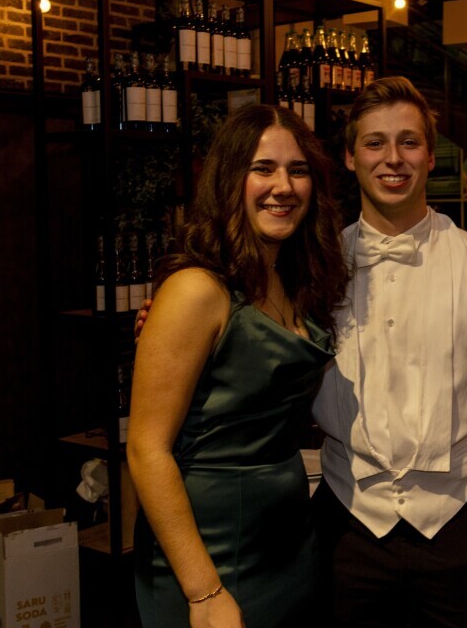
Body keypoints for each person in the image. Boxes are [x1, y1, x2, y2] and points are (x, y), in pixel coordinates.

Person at [311, 76, 467, 627]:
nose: (392, 158)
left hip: (461, 533)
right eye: (374, 143)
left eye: (409, 141)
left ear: (430, 156)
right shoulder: (316, 268)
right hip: (344, 528)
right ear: (350, 158)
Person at [127, 104, 347, 628]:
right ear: (230, 179)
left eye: (297, 170)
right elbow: (146, 449)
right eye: (263, 168)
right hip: (210, 550)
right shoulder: (196, 289)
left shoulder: (296, 281)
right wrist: (203, 592)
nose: (283, 187)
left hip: (290, 544)